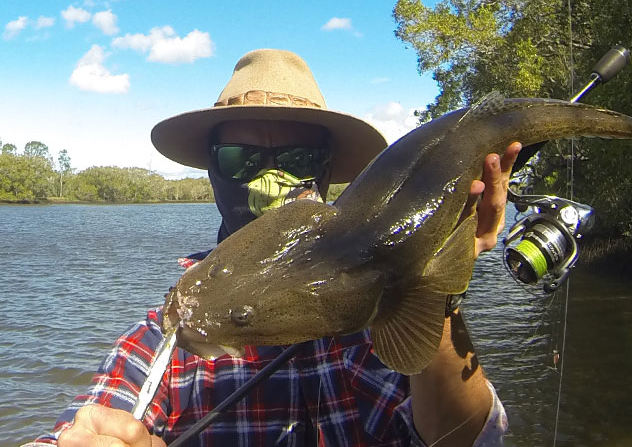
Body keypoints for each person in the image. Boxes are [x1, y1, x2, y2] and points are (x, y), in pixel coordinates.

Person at [25, 49, 521, 447]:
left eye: (298, 157)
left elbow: (466, 437)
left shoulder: (377, 319)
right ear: (213, 172)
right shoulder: (165, 338)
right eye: (241, 158)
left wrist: (431, 273)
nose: (270, 180)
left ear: (326, 168)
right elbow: (91, 420)